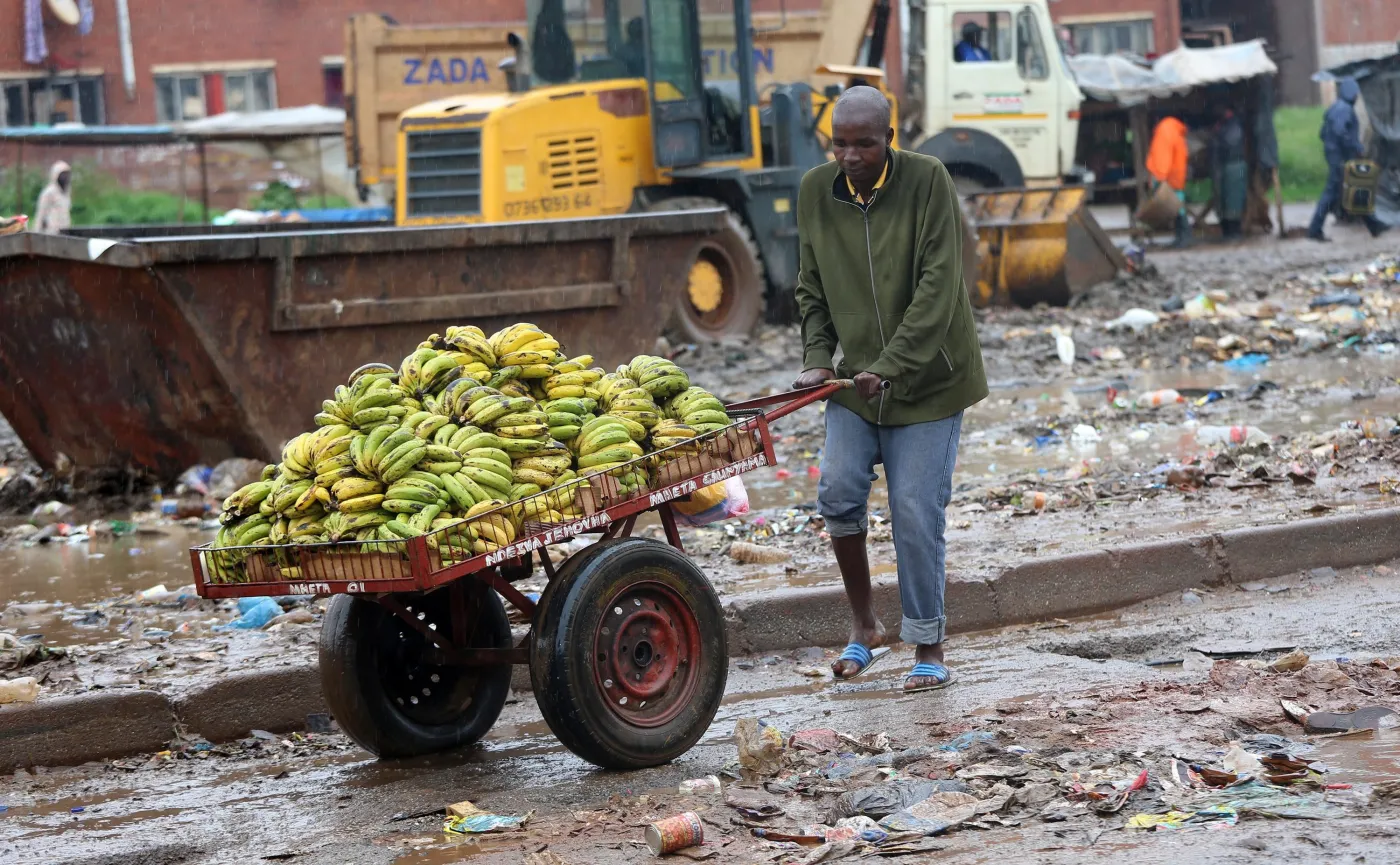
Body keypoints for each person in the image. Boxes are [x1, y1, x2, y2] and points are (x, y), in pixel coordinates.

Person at [792, 87, 988, 694]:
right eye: (839, 144)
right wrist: (818, 360)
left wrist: (894, 364)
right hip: (857, 383)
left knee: (913, 507)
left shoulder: (928, 181)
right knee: (837, 493)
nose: (850, 155)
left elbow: (939, 285)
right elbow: (810, 288)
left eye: (864, 143)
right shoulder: (815, 191)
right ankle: (866, 627)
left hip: (929, 380)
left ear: (889, 140)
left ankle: (928, 644)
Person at [1309, 77, 1386, 241]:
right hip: (1341, 158)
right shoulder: (1345, 110)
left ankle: (1373, 225)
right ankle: (1314, 229)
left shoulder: (1335, 107)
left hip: (1335, 156)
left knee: (1355, 188)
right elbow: (1341, 132)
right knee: (1341, 191)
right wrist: (1355, 148)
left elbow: (1323, 134)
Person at [1145, 116, 1190, 247]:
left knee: (1176, 208)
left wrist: (1159, 177)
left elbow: (1162, 157)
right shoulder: (1175, 131)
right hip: (1177, 176)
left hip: (1169, 178)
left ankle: (1184, 237)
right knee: (1178, 207)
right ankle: (1182, 236)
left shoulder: (1164, 131)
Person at [1211, 107, 1248, 239]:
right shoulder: (1229, 126)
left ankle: (1233, 230)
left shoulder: (1233, 127)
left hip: (1233, 166)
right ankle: (1229, 229)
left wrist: (1218, 134)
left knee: (1233, 200)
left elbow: (1227, 145)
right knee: (1226, 200)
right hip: (1227, 167)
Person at [33, 160, 72, 234]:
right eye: (63, 174)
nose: (65, 177)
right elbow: (41, 214)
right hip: (51, 233)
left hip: (64, 232)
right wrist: (36, 233)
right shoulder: (49, 192)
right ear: (55, 175)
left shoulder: (66, 193)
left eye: (67, 174)